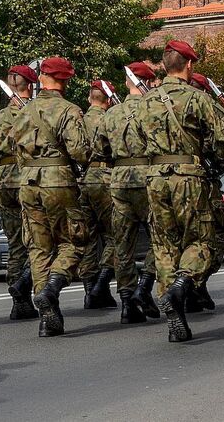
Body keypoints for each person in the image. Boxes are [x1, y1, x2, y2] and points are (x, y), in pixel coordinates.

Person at [135, 40, 224, 343]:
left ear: (165, 66)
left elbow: (137, 139)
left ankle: (173, 311)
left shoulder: (146, 102)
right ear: (189, 66)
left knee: (164, 245)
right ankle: (181, 286)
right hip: (189, 177)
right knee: (201, 240)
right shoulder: (197, 99)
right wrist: (213, 156)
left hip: (155, 178)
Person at [11, 56, 91, 337]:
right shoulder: (69, 111)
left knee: (38, 247)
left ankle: (49, 315)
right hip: (58, 182)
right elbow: (80, 152)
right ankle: (51, 288)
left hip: (27, 183)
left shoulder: (22, 111)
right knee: (73, 241)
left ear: (42, 78)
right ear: (65, 80)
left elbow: (16, 150)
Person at [94, 62, 160, 325]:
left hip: (119, 180)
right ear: (149, 82)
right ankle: (145, 286)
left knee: (123, 243)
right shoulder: (153, 108)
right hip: (148, 178)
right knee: (159, 238)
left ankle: (126, 301)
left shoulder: (111, 114)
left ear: (126, 83)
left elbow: (99, 149)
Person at [0, 65, 38, 320]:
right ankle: (26, 286)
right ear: (31, 85)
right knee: (40, 241)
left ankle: (20, 302)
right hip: (28, 178)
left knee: (15, 243)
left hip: (4, 180)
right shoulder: (33, 112)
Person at [188, 71, 224, 312]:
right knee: (213, 236)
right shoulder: (205, 110)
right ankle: (196, 284)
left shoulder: (160, 102)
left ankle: (189, 286)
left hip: (167, 183)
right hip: (204, 183)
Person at [77, 80, 118, 310]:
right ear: (109, 100)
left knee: (88, 238)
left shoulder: (78, 120)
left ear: (89, 98)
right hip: (106, 177)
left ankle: (88, 291)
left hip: (83, 180)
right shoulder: (110, 119)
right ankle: (101, 284)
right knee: (115, 235)